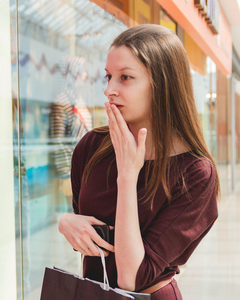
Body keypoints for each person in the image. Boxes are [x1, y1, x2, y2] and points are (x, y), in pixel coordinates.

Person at [58, 24, 219, 300]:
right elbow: (90, 230)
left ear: (163, 84)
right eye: (108, 76)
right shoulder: (92, 146)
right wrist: (65, 222)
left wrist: (128, 177)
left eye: (126, 77)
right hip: (93, 293)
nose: (110, 89)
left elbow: (131, 276)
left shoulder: (195, 173)